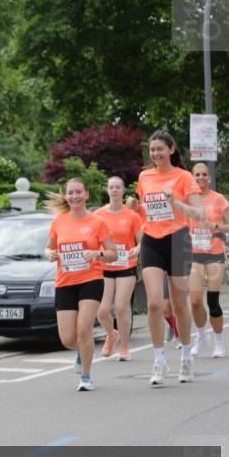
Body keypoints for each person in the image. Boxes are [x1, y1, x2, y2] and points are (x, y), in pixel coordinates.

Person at [126, 130, 205, 385]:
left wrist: (176, 204)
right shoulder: (144, 177)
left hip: (178, 240)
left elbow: (200, 213)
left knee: (180, 305)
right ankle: (159, 361)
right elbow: (146, 213)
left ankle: (185, 355)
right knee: (154, 304)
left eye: (160, 149)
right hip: (152, 241)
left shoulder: (183, 177)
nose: (155, 153)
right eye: (152, 150)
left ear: (171, 150)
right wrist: (137, 210)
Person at [45, 178, 117, 391]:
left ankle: (85, 376)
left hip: (91, 280)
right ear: (66, 196)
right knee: (68, 338)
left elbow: (113, 254)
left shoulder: (97, 222)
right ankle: (82, 352)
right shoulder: (59, 222)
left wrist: (97, 253)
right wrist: (49, 254)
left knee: (84, 328)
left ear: (86, 194)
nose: (74, 196)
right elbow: (48, 249)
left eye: (78, 192)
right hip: (65, 282)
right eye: (71, 193)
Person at [188, 162, 229, 358]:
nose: (200, 178)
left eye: (204, 175)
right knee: (195, 301)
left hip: (214, 254)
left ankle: (219, 342)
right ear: (192, 177)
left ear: (209, 177)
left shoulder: (218, 199)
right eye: (197, 175)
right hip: (194, 254)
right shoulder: (188, 200)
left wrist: (214, 226)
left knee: (213, 301)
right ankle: (201, 336)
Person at [94, 176, 143, 361]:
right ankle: (111, 335)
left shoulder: (132, 216)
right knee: (102, 310)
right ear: (107, 190)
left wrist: (137, 249)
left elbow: (141, 240)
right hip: (104, 266)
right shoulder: (98, 215)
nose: (114, 190)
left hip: (126, 265)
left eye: (118, 187)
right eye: (111, 187)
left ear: (123, 191)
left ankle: (124, 347)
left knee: (121, 307)